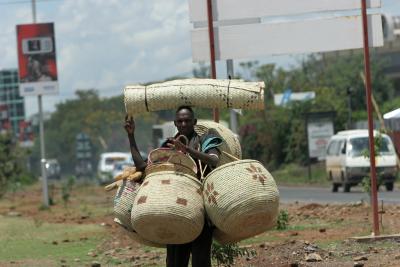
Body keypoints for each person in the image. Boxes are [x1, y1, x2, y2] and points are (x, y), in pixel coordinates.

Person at [124, 105, 222, 267]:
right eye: (180, 121)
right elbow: (143, 167)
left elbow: (213, 160)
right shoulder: (168, 145)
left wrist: (187, 150)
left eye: (187, 121)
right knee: (175, 262)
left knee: (200, 262)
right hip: (174, 210)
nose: (184, 124)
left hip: (200, 209)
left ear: (194, 122)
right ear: (175, 123)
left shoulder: (205, 139)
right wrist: (131, 136)